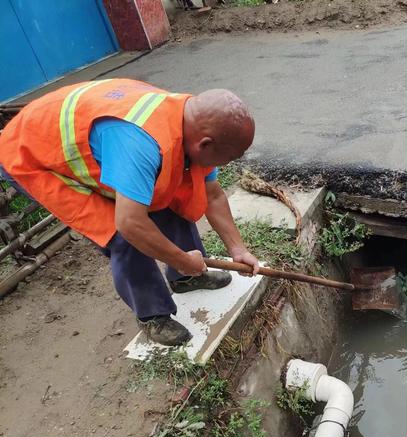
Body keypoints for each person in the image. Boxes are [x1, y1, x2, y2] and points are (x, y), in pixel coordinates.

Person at [0, 78, 260, 346]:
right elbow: (130, 223)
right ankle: (152, 315)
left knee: (172, 193)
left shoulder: (192, 121)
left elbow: (212, 194)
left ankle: (185, 278)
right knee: (120, 236)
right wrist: (183, 258)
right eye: (227, 158)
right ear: (204, 145)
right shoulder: (140, 146)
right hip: (34, 157)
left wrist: (238, 249)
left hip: (102, 143)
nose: (227, 164)